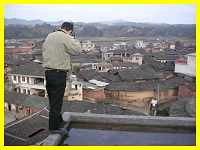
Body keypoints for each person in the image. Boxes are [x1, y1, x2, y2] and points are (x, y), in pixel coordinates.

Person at [42, 22, 81, 132]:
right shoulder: (65, 37)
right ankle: (54, 128)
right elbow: (77, 50)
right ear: (70, 30)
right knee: (57, 101)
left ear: (61, 27)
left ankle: (58, 121)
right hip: (58, 74)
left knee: (53, 100)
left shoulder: (50, 36)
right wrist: (72, 38)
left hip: (48, 73)